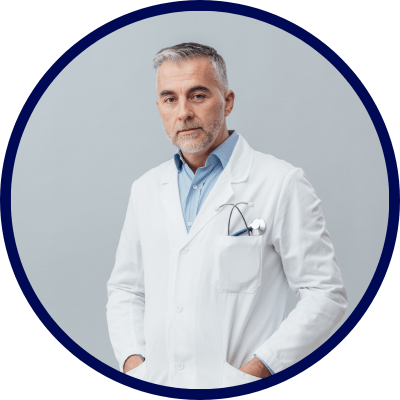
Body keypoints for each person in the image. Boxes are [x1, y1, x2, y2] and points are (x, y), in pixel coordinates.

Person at [106, 42, 347, 389]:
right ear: (159, 107)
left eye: (198, 95)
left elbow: (325, 294)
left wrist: (256, 371)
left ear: (228, 101)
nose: (183, 112)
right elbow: (125, 289)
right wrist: (135, 367)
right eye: (170, 98)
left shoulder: (280, 183)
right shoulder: (145, 188)